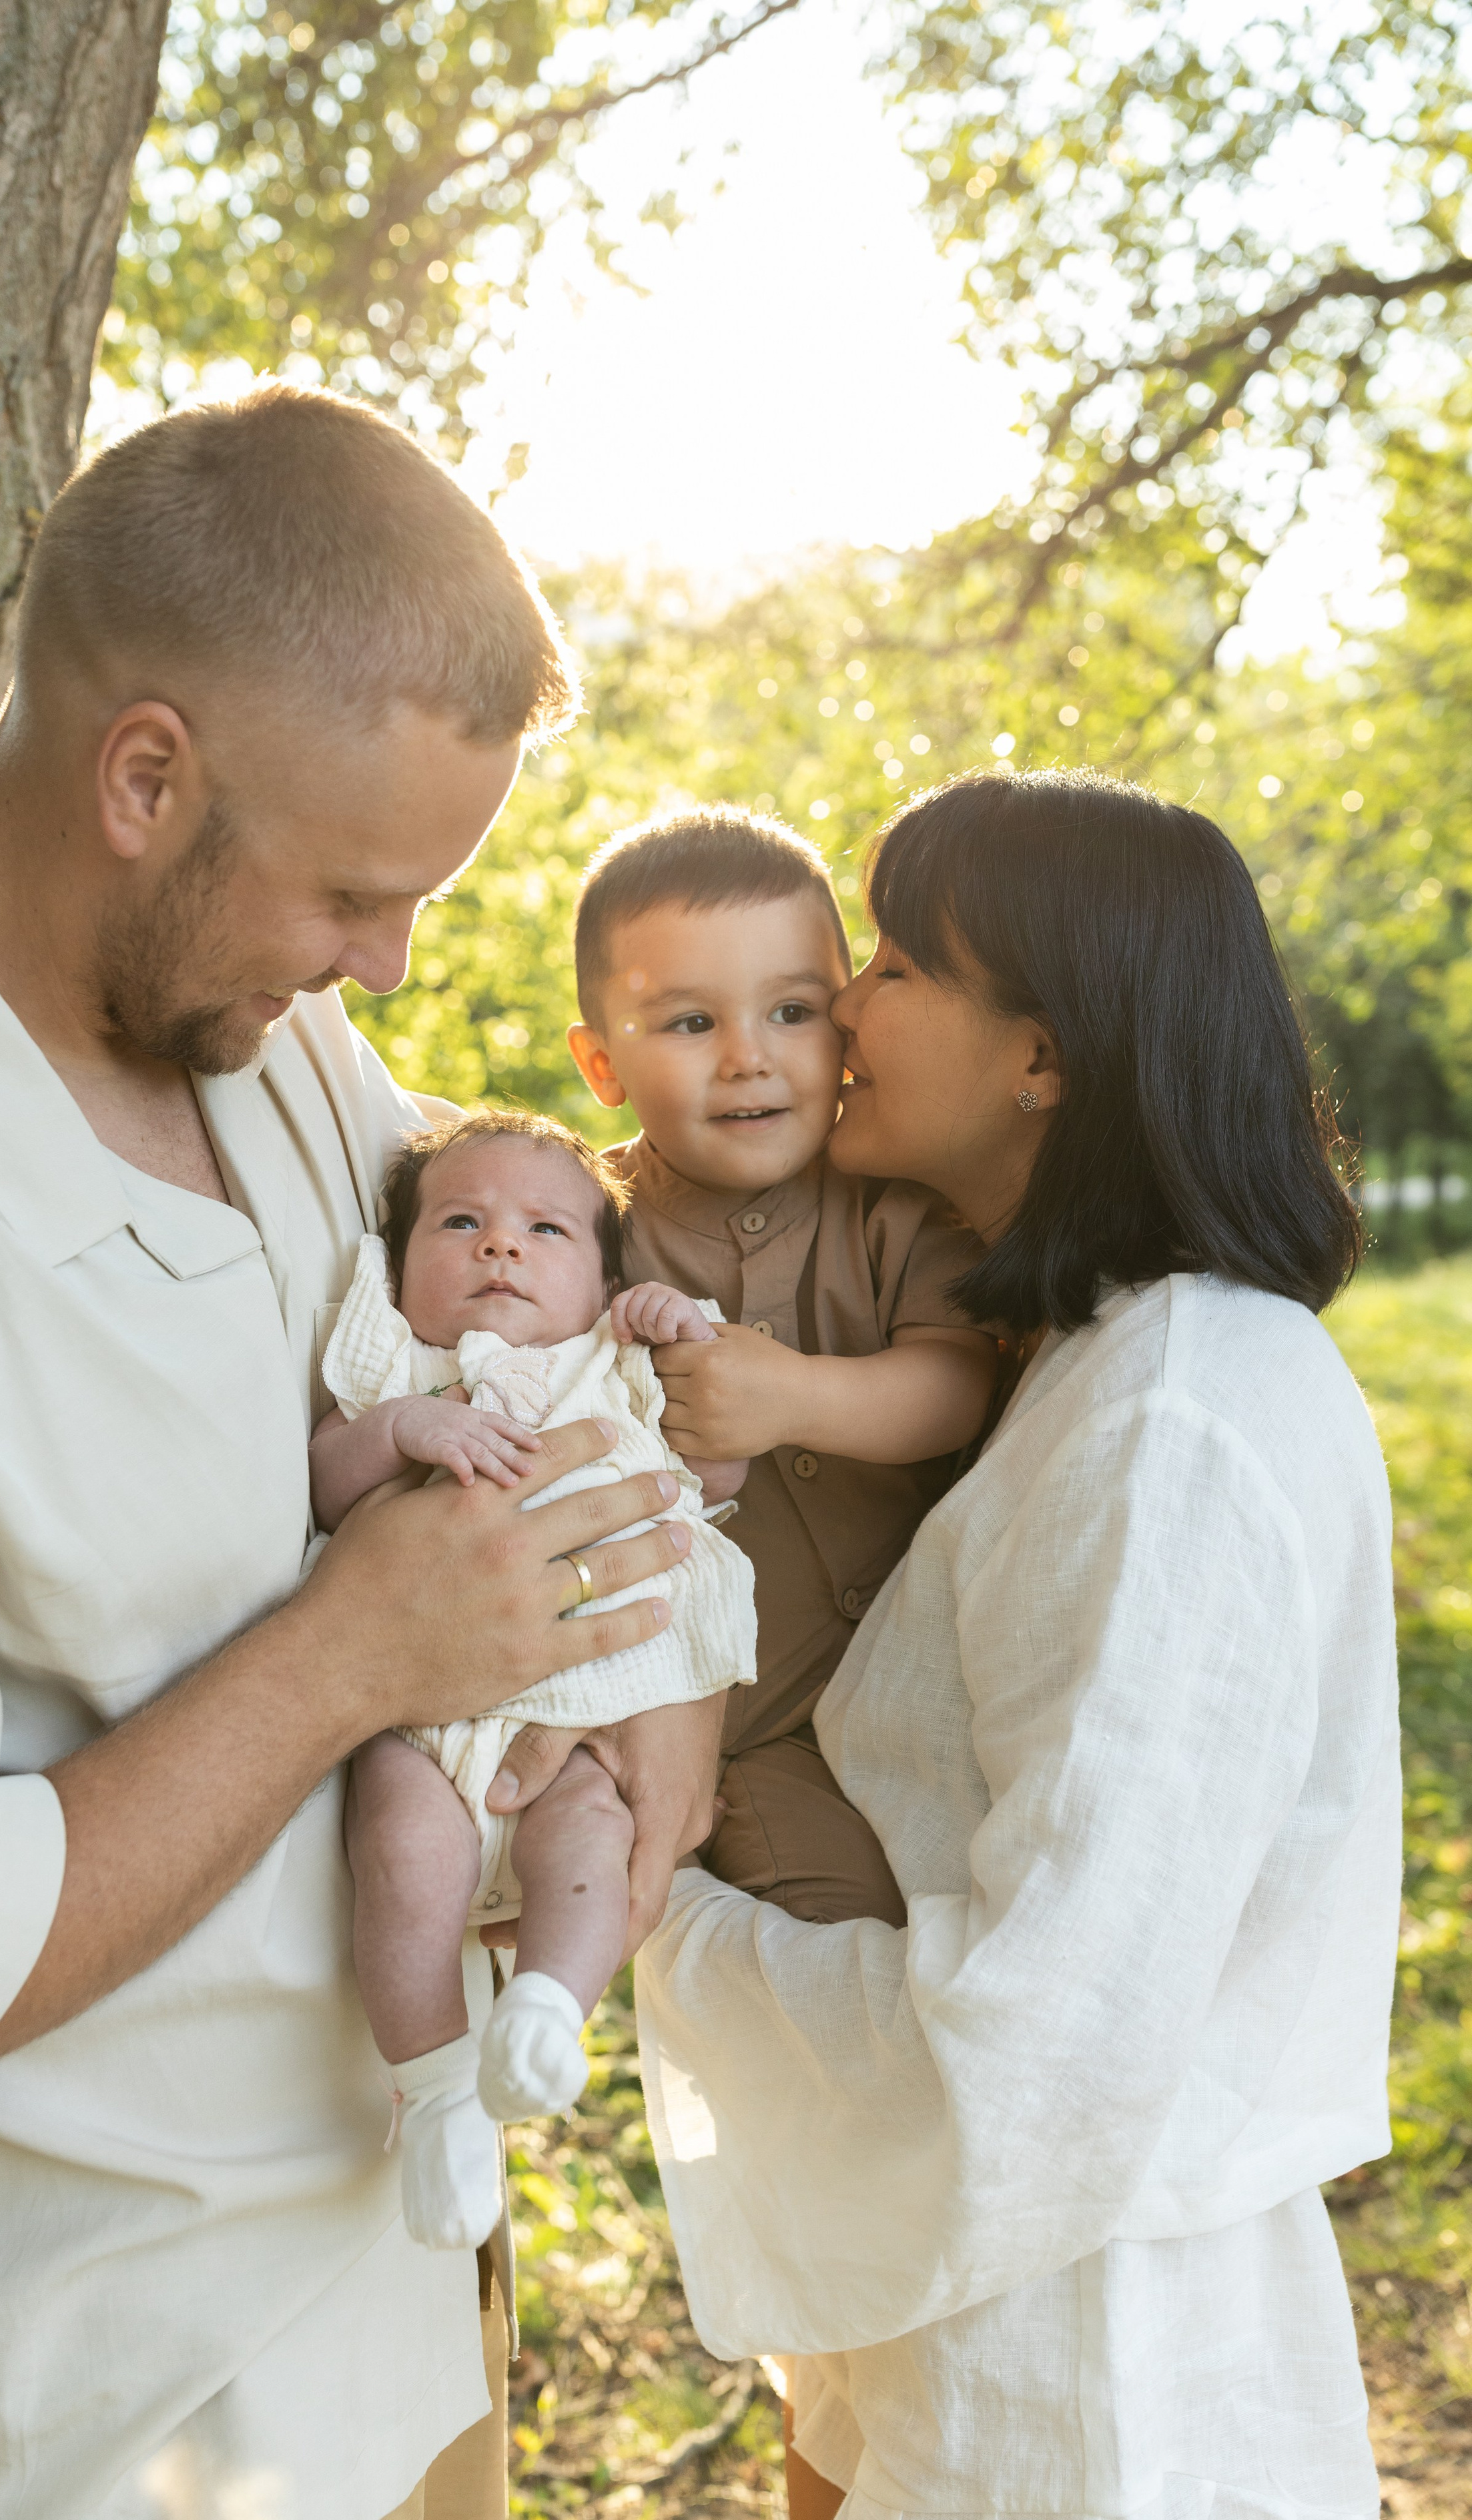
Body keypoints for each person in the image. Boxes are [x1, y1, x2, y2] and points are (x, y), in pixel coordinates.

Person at [0, 384, 722, 2520]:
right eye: (357, 892)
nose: (387, 966)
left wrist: (658, 1675)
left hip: (414, 2257)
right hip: (146, 2404)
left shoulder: (257, 1027)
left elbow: (499, 1305)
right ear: (145, 777)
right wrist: (349, 1656)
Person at [635, 767, 1399, 2520]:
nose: (841, 1006)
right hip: (983, 2299)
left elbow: (1052, 2031)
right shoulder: (1089, 1359)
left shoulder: (1177, 1419)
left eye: (897, 964)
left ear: (1040, 1055)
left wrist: (663, 1919)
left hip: (1081, 2374)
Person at [314, 1110, 755, 2252]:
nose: (501, 1245)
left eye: (546, 1230)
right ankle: (436, 2095)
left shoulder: (616, 1363)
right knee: (401, 1851)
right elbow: (324, 1484)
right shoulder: (399, 1369)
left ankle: (551, 2013)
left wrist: (681, 1337)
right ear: (400, 1265)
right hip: (423, 1723)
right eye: (461, 1223)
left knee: (592, 1839)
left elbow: (714, 1477)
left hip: (583, 1718)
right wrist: (401, 1433)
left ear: (605, 1281)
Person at [568, 809, 1002, 1925]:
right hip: (745, 1721)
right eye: (691, 1021)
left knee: (1007, 1883)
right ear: (603, 1063)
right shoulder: (587, 1224)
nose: (749, 1056)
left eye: (794, 1011)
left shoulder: (895, 1202)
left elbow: (958, 1385)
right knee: (845, 1917)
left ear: (846, 1026)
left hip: (935, 1672)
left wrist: (798, 1396)